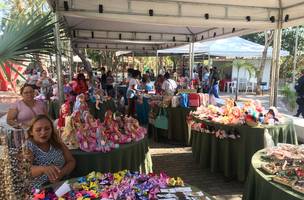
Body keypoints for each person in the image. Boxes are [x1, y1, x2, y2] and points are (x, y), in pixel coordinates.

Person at [26, 115, 75, 188]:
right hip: (38, 190)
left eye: (47, 129)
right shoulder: (28, 146)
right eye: (38, 130)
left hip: (60, 186)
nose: (43, 132)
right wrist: (43, 169)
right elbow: (25, 171)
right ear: (31, 132)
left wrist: (61, 173)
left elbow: (71, 161)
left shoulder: (57, 142)